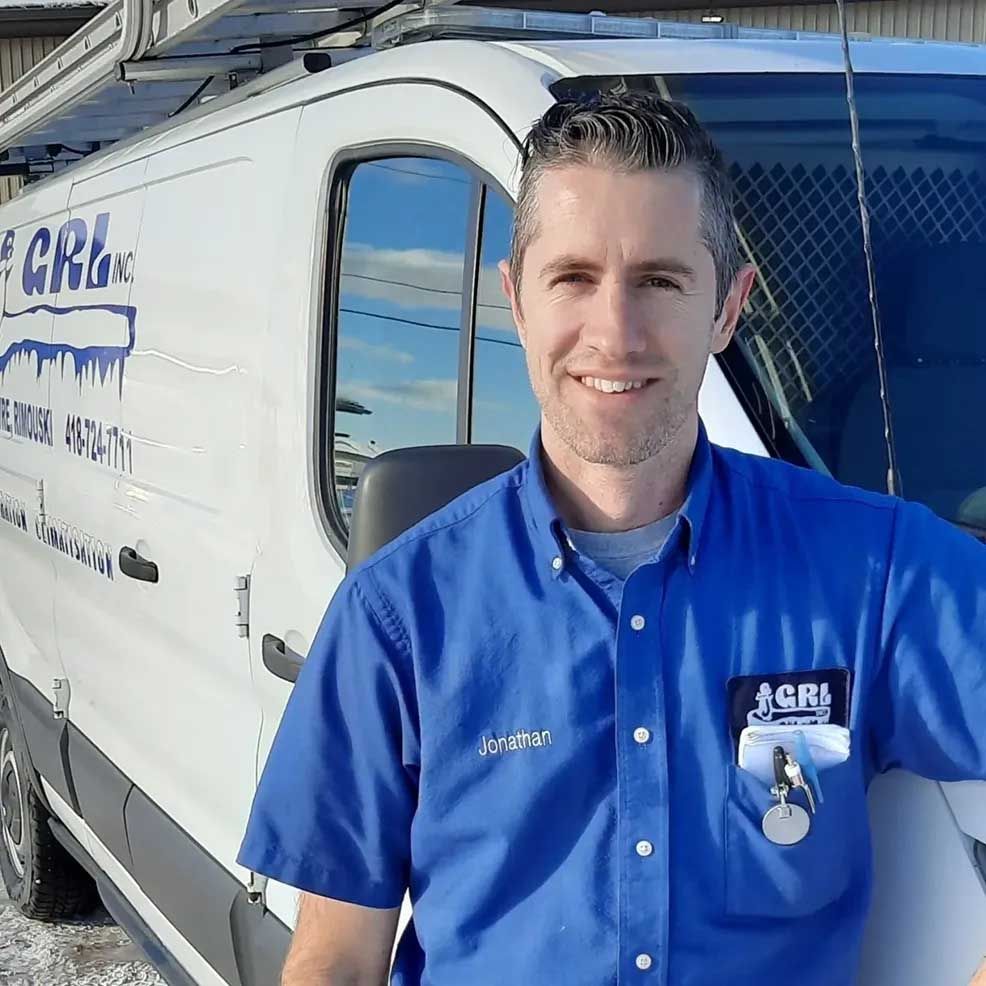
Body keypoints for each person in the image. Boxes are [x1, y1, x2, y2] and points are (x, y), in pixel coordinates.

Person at [237, 91, 986, 986]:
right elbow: (336, 959)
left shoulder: (875, 573)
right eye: (574, 277)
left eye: (660, 281)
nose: (615, 334)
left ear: (728, 307)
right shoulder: (397, 614)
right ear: (516, 300)